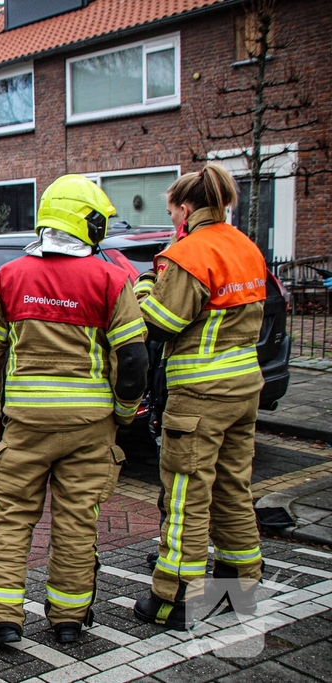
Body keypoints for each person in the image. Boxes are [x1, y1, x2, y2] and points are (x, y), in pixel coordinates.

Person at [0, 174, 148, 646]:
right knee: (76, 521)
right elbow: (132, 359)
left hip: (26, 423)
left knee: (11, 517)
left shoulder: (11, 276)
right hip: (90, 424)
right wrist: (124, 413)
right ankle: (67, 619)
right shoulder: (111, 280)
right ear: (89, 225)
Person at [132, 164, 268, 630]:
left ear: (187, 209)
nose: (174, 223)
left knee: (186, 496)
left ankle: (175, 598)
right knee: (234, 487)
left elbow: (159, 324)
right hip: (244, 388)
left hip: (200, 395)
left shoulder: (190, 254)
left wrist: (144, 285)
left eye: (173, 214)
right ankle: (240, 585)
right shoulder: (246, 247)